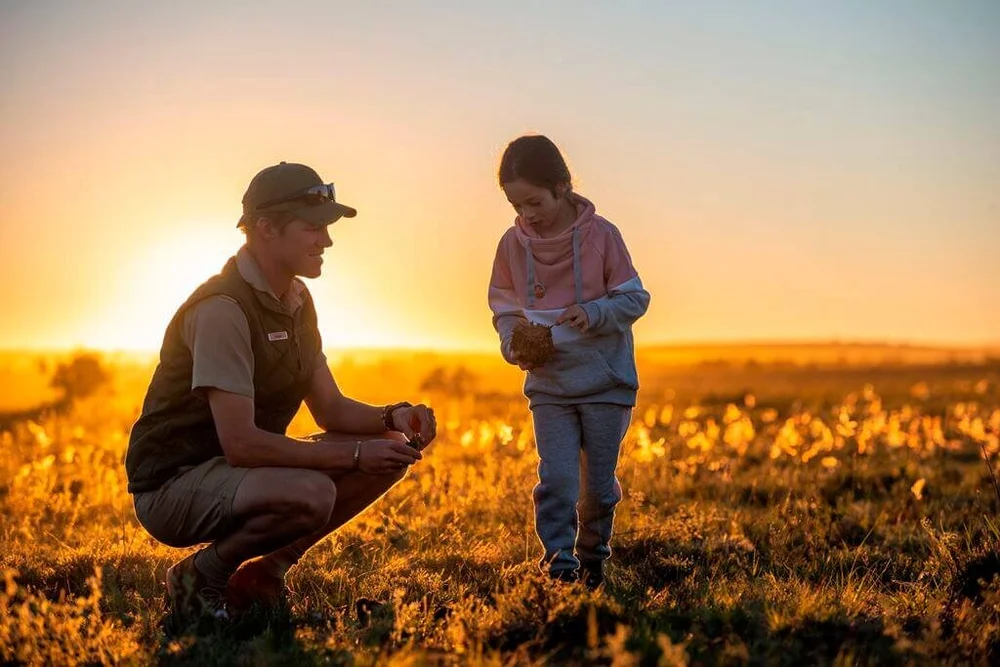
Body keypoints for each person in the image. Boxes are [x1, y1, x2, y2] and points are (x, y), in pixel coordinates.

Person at [125, 161, 437, 619]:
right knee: (313, 493)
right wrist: (354, 456)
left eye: (326, 229)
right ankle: (199, 577)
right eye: (313, 227)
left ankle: (265, 573)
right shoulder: (222, 309)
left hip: (240, 472)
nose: (326, 241)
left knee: (389, 444)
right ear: (266, 229)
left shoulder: (296, 299)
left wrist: (394, 416)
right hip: (173, 486)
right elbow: (242, 444)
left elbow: (331, 409)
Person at [488, 135, 650, 588]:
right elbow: (504, 309)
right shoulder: (512, 245)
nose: (527, 214)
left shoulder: (602, 237)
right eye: (516, 205)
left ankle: (593, 562)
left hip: (605, 383)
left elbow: (635, 298)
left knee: (596, 489)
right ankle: (559, 570)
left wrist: (594, 312)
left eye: (535, 202)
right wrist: (512, 342)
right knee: (557, 482)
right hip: (549, 387)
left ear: (561, 187)